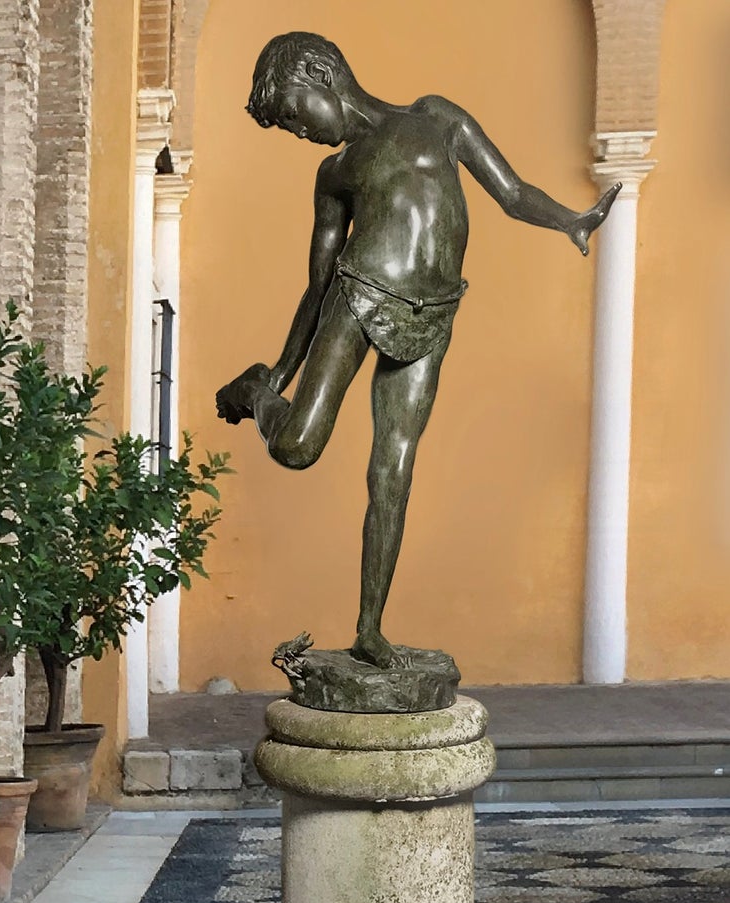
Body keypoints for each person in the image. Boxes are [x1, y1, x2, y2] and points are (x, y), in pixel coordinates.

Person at [217, 32, 619, 668]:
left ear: (321, 74)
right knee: (296, 447)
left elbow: (510, 194)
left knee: (392, 471)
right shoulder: (336, 173)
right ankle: (254, 392)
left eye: (294, 113)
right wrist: (281, 373)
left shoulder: (437, 118)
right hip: (357, 296)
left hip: (434, 314)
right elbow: (317, 285)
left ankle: (369, 629)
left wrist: (568, 219)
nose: (298, 132)